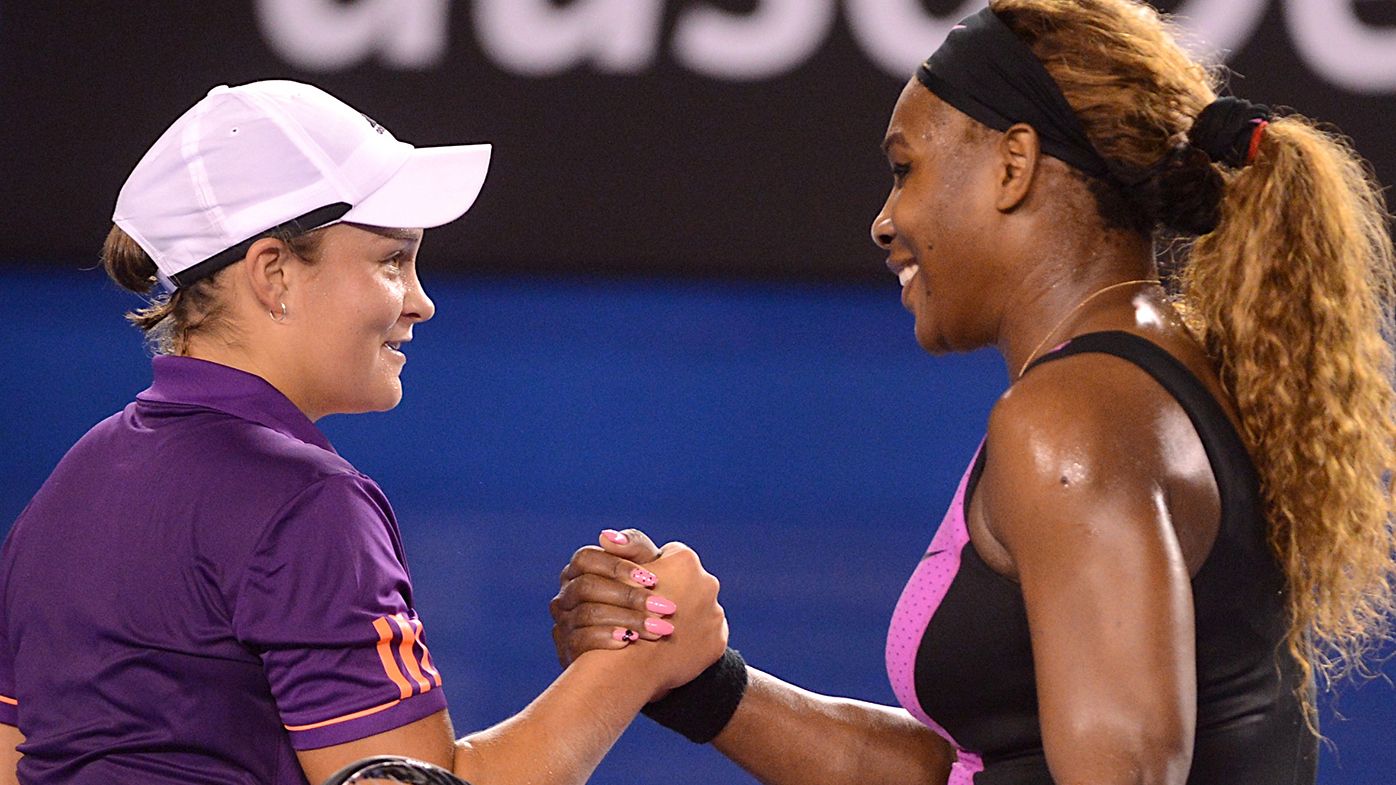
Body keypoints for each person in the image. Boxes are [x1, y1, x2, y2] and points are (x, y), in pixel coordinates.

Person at [548, 1, 1396, 783]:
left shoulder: (1073, 421)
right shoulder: (1147, 381)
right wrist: (702, 683)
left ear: (1013, 166)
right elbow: (979, 770)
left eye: (905, 168)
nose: (884, 220)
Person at [0, 80, 728, 785]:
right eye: (392, 261)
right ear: (274, 273)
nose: (421, 302)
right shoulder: (303, 502)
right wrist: (640, 658)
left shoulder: (72, 483)